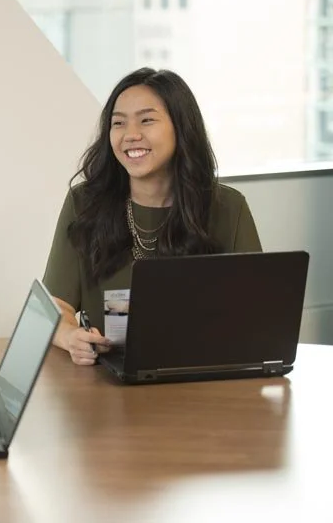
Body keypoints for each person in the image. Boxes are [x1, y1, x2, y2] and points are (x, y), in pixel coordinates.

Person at [43, 67, 262, 366]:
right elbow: (54, 306)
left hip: (201, 374)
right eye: (118, 123)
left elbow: (254, 313)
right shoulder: (85, 202)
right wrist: (70, 337)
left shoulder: (227, 207)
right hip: (107, 382)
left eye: (147, 120)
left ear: (181, 128)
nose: (131, 135)